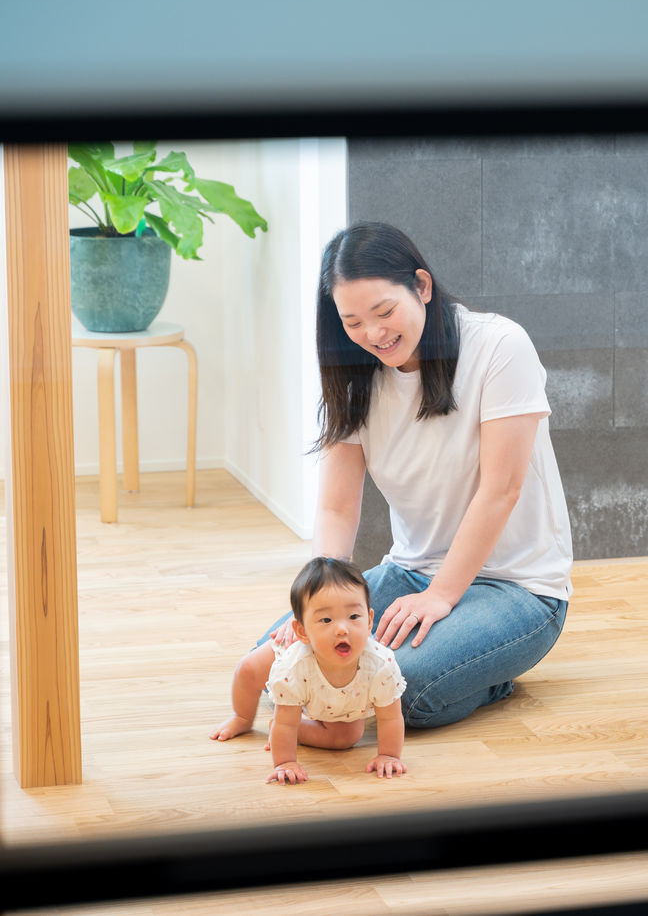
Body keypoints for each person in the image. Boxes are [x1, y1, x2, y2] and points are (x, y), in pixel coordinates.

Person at [260, 221, 573, 729]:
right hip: (411, 572)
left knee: (398, 693)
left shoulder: (499, 346)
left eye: (385, 312)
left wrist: (441, 596)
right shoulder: (355, 375)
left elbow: (501, 489)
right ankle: (459, 664)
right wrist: (323, 594)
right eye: (353, 322)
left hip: (519, 589)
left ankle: (489, 676)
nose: (374, 334)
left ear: (422, 287)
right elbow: (337, 505)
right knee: (276, 671)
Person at [212, 556, 408, 783]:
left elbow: (391, 718)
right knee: (248, 670)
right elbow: (287, 720)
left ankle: (293, 728)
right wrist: (285, 762)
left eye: (354, 616)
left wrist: (388, 755)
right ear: (302, 631)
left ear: (370, 619)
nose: (342, 629)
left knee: (346, 738)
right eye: (326, 620)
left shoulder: (381, 666)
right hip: (306, 661)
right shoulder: (293, 665)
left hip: (344, 703)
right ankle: (242, 717)